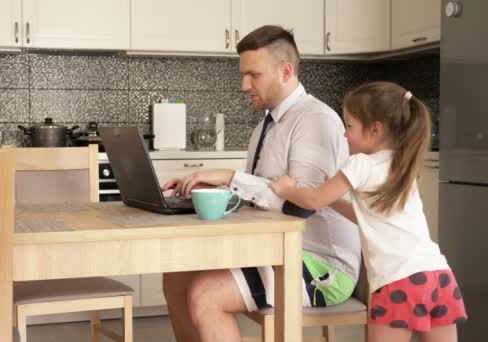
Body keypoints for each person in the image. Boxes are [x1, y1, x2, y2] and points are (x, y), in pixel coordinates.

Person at [161, 25, 361, 342]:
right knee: (175, 276)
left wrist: (230, 177)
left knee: (206, 294)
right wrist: (213, 191)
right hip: (272, 250)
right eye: (243, 74)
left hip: (320, 266)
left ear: (285, 71)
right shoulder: (265, 127)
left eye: (253, 74)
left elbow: (299, 205)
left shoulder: (315, 121)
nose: (244, 85)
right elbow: (262, 197)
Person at [269, 81, 468, 342]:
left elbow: (314, 199)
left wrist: (288, 189)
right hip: (438, 276)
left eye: (349, 125)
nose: (344, 134)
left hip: (398, 281)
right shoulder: (402, 164)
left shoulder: (361, 164)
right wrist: (335, 201)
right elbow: (371, 219)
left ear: (375, 130)